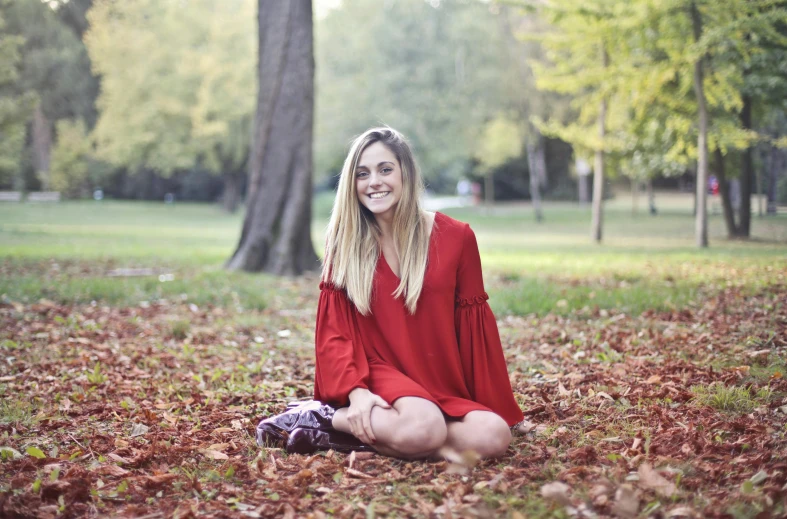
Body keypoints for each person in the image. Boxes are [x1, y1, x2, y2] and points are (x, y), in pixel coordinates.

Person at [257, 127, 523, 460]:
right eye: (362, 174)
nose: (374, 182)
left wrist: (497, 409)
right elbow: (334, 333)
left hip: (438, 379)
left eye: (385, 169)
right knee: (425, 427)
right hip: (375, 374)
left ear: (405, 173)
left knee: (492, 436)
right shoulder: (345, 243)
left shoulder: (458, 238)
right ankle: (319, 417)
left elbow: (474, 332)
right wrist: (355, 394)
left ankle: (365, 437)